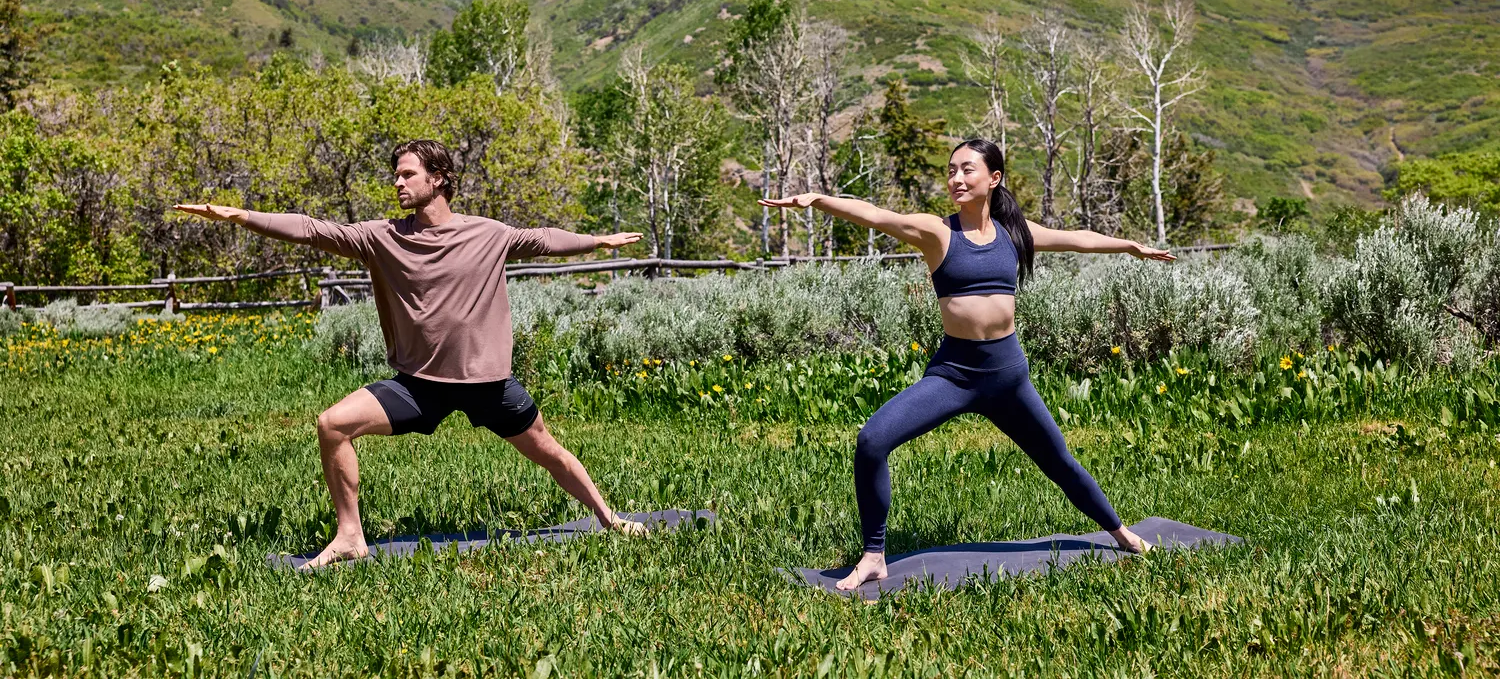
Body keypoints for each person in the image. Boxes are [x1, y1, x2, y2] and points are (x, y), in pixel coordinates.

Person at [176, 139, 645, 568]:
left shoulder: (488, 234)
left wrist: (598, 241)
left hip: (487, 384)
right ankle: (349, 536)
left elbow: (545, 239)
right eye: (396, 175)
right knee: (332, 424)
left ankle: (609, 519)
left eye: (406, 174)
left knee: (549, 452)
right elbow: (310, 230)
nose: (396, 183)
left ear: (437, 178)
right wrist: (241, 216)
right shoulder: (382, 236)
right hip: (420, 386)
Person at [760, 138, 1174, 591]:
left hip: (1008, 378)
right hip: (954, 375)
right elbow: (876, 215)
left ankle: (1122, 535)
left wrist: (1129, 247)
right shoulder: (937, 232)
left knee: (1059, 462)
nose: (956, 178)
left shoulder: (1016, 234)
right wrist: (818, 200)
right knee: (872, 440)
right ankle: (873, 555)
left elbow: (1078, 240)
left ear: (994, 179)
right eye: (951, 170)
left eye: (967, 170)